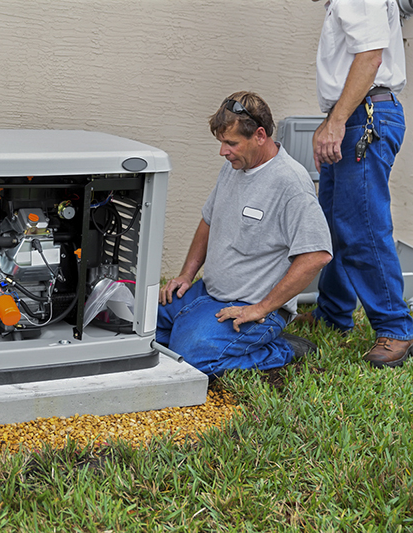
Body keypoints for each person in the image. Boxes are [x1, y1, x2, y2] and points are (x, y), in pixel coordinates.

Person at [158, 91, 333, 377]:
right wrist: (186, 275)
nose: (223, 151)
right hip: (207, 294)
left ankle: (283, 349)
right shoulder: (234, 167)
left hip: (251, 308)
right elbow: (208, 221)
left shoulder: (290, 183)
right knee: (142, 329)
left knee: (190, 361)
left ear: (260, 135)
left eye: (231, 143)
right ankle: (198, 328)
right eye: (222, 143)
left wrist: (261, 308)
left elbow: (316, 255)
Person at [298, 0, 413, 368]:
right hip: (354, 116)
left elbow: (370, 57)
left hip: (363, 117)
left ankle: (395, 327)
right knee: (334, 222)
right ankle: (333, 312)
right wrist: (334, 121)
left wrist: (336, 122)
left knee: (361, 225)